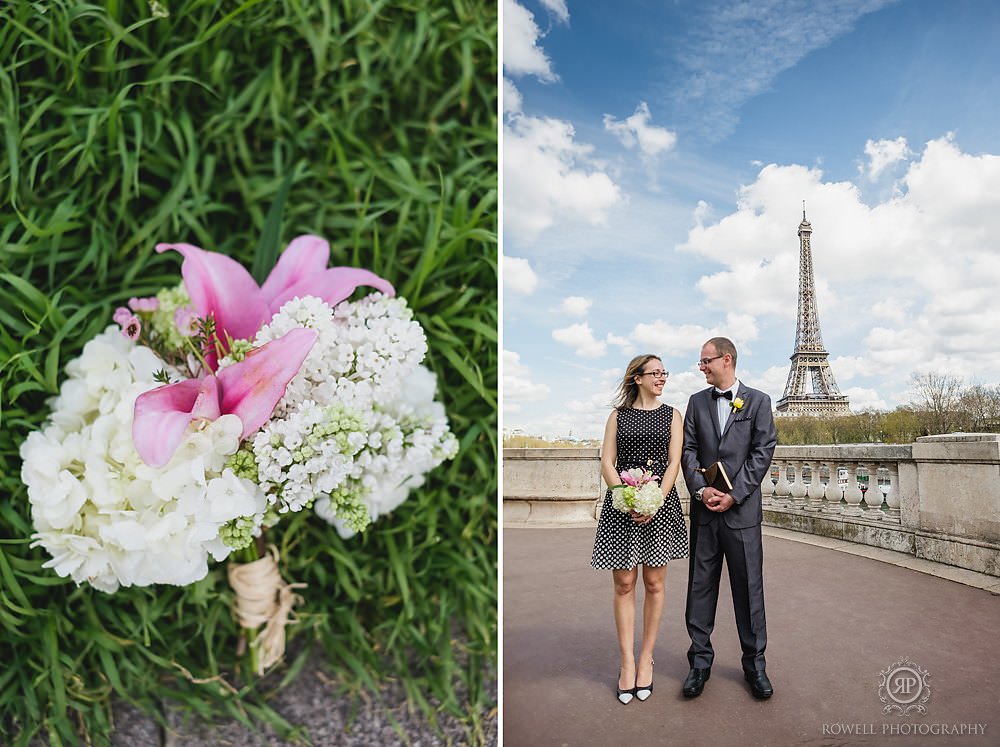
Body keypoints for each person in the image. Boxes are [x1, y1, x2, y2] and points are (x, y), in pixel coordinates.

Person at [680, 337, 777, 700]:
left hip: (742, 514)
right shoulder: (695, 403)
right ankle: (699, 664)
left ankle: (755, 667)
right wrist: (700, 490)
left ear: (727, 359)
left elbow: (763, 450)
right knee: (699, 590)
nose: (701, 367)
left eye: (705, 361)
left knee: (749, 591)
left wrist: (735, 493)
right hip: (705, 514)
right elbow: (688, 449)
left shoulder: (759, 401)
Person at [591, 354, 688, 705]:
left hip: (659, 505)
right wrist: (625, 497)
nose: (662, 378)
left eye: (665, 372)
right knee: (624, 583)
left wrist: (655, 500)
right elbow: (607, 461)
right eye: (656, 373)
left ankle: (647, 657)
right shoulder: (617, 416)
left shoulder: (673, 415)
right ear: (637, 378)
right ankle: (627, 662)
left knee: (654, 583)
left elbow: (674, 462)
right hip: (622, 507)